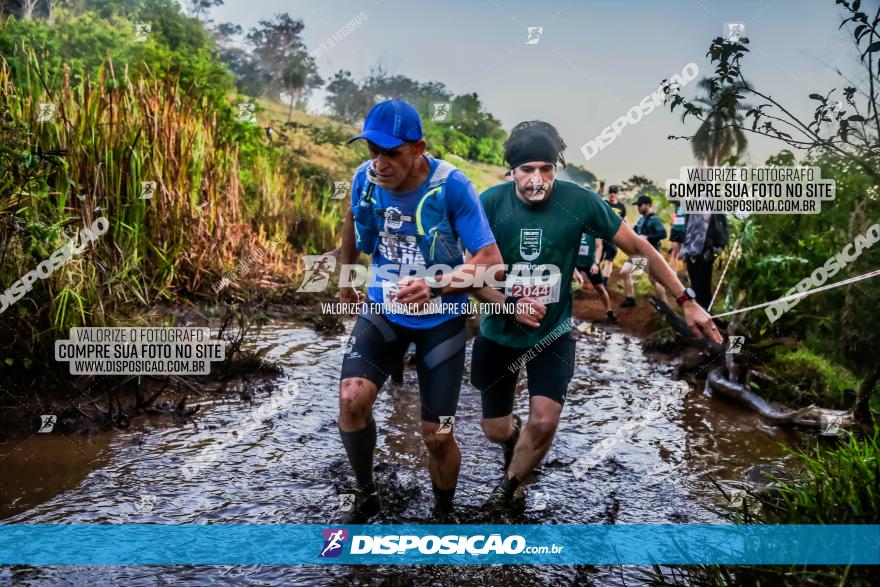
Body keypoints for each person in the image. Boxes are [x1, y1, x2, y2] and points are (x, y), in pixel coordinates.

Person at [469, 121, 722, 511]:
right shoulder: (489, 204)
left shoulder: (580, 201)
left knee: (545, 421)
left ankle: (507, 494)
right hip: (498, 335)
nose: (538, 179)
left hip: (552, 335)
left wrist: (686, 299)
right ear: (511, 171)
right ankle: (513, 442)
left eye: (546, 169)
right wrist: (508, 304)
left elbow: (638, 246)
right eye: (526, 170)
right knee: (495, 429)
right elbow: (467, 275)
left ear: (556, 168)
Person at [335, 99, 503, 522]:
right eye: (373, 151)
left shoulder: (452, 186)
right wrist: (345, 275)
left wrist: (433, 283)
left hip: (441, 321)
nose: (380, 162)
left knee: (438, 436)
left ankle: (443, 512)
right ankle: (366, 493)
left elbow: (490, 260)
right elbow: (353, 220)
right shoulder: (365, 178)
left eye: (391, 152)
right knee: (351, 400)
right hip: (384, 310)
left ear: (418, 148)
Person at [620, 195, 669, 307]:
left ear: (648, 205)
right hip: (641, 255)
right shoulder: (641, 219)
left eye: (640, 205)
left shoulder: (655, 219)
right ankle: (630, 299)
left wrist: (647, 237)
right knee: (625, 272)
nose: (638, 208)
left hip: (652, 254)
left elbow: (663, 234)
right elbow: (635, 233)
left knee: (654, 279)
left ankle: (666, 305)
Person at [681, 212, 728, 310]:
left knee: (704, 286)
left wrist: (718, 247)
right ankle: (696, 310)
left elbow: (721, 228)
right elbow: (687, 229)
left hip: (705, 252)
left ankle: (705, 311)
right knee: (695, 284)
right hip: (692, 252)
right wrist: (684, 250)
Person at [573, 232, 618, 323]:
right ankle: (565, 314)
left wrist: (596, 263)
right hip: (575, 263)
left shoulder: (593, 229)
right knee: (569, 287)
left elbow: (599, 246)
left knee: (600, 287)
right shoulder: (574, 226)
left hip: (590, 263)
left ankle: (609, 312)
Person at [599, 185, 626, 287]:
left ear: (617, 194)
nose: (612, 194)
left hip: (614, 237)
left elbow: (625, 221)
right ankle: (598, 278)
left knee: (609, 260)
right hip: (601, 236)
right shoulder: (604, 203)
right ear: (608, 193)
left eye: (614, 192)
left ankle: (604, 281)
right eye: (611, 192)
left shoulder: (621, 207)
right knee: (598, 259)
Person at [669, 200, 686, 268]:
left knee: (685, 254)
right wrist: (672, 222)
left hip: (684, 231)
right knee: (674, 253)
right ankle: (673, 273)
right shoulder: (676, 207)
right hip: (675, 230)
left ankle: (686, 274)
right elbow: (672, 220)